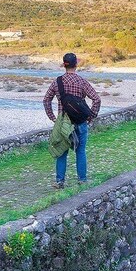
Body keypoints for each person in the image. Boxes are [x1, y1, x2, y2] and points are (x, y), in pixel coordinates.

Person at [43, 52, 102, 189]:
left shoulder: (57, 82)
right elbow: (96, 99)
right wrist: (91, 116)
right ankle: (82, 180)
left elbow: (46, 100)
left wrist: (52, 117)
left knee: (62, 152)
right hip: (80, 122)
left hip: (63, 122)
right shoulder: (81, 81)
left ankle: (59, 182)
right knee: (80, 151)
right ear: (76, 65)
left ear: (64, 65)